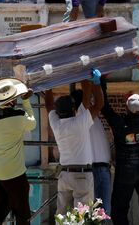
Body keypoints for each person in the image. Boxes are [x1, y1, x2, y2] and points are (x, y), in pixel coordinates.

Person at [101, 55, 139, 225]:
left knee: (119, 209)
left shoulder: (120, 125)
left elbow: (104, 107)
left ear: (127, 107)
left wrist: (101, 81)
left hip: (126, 170)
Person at [0, 78, 37, 225]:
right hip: (14, 172)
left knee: (0, 208)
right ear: (12, 100)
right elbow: (32, 123)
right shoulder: (18, 116)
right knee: (22, 212)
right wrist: (25, 101)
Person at [47, 73, 104, 214]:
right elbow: (99, 104)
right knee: (82, 216)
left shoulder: (56, 124)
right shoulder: (80, 122)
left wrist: (47, 86)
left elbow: (48, 105)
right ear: (73, 109)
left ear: (58, 111)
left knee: (62, 216)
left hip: (65, 175)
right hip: (82, 175)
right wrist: (95, 82)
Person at [70, 88, 112, 215]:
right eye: (90, 100)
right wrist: (93, 82)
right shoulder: (83, 115)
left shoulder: (85, 116)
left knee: (99, 214)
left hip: (99, 168)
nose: (93, 102)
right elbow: (96, 102)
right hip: (96, 169)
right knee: (99, 214)